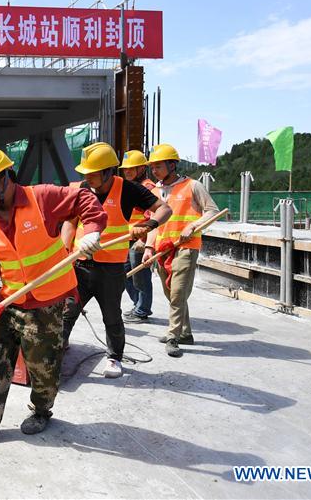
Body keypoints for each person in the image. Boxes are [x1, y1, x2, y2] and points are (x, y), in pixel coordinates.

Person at [0, 146, 107, 440]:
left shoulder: (41, 198)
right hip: (8, 301)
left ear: (4, 178)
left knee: (42, 365)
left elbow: (83, 197)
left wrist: (93, 229)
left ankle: (41, 410)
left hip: (47, 301)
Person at [60, 143, 171, 378]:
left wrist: (148, 224)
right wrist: (65, 250)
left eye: (93, 173)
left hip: (110, 268)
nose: (87, 177)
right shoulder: (82, 189)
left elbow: (164, 209)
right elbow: (70, 222)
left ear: (109, 171)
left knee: (111, 315)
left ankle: (114, 358)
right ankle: (59, 345)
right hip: (80, 263)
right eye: (86, 172)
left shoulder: (129, 190)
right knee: (68, 310)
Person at [147, 143, 219, 358]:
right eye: (153, 166)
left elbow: (212, 212)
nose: (155, 170)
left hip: (186, 246)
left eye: (159, 166)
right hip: (163, 248)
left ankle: (173, 336)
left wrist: (193, 226)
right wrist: (149, 247)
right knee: (170, 292)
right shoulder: (155, 191)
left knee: (178, 293)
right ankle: (185, 333)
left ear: (172, 165)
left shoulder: (193, 186)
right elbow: (153, 222)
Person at [118, 150, 161, 323]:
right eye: (125, 169)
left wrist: (144, 238)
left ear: (142, 169)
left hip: (141, 238)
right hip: (128, 238)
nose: (127, 172)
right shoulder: (128, 187)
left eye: (131, 169)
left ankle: (142, 309)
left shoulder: (148, 187)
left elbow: (152, 216)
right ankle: (138, 305)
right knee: (126, 273)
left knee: (140, 275)